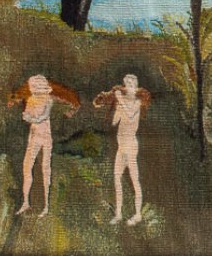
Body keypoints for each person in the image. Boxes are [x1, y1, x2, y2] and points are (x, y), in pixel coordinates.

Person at [8, 74, 79, 215]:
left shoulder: (48, 100)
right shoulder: (31, 99)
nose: (33, 89)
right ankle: (26, 202)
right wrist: (29, 117)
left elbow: (42, 117)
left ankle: (46, 205)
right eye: (32, 87)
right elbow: (26, 114)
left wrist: (31, 118)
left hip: (45, 137)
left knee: (45, 168)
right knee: (27, 167)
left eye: (35, 87)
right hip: (33, 136)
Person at [92, 75, 152, 225]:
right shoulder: (122, 102)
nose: (128, 86)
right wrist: (116, 106)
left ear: (136, 87)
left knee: (134, 179)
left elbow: (131, 115)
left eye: (131, 84)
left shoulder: (137, 102)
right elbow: (114, 122)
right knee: (117, 178)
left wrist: (121, 101)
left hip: (131, 146)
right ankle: (118, 214)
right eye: (126, 84)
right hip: (121, 146)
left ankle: (137, 214)